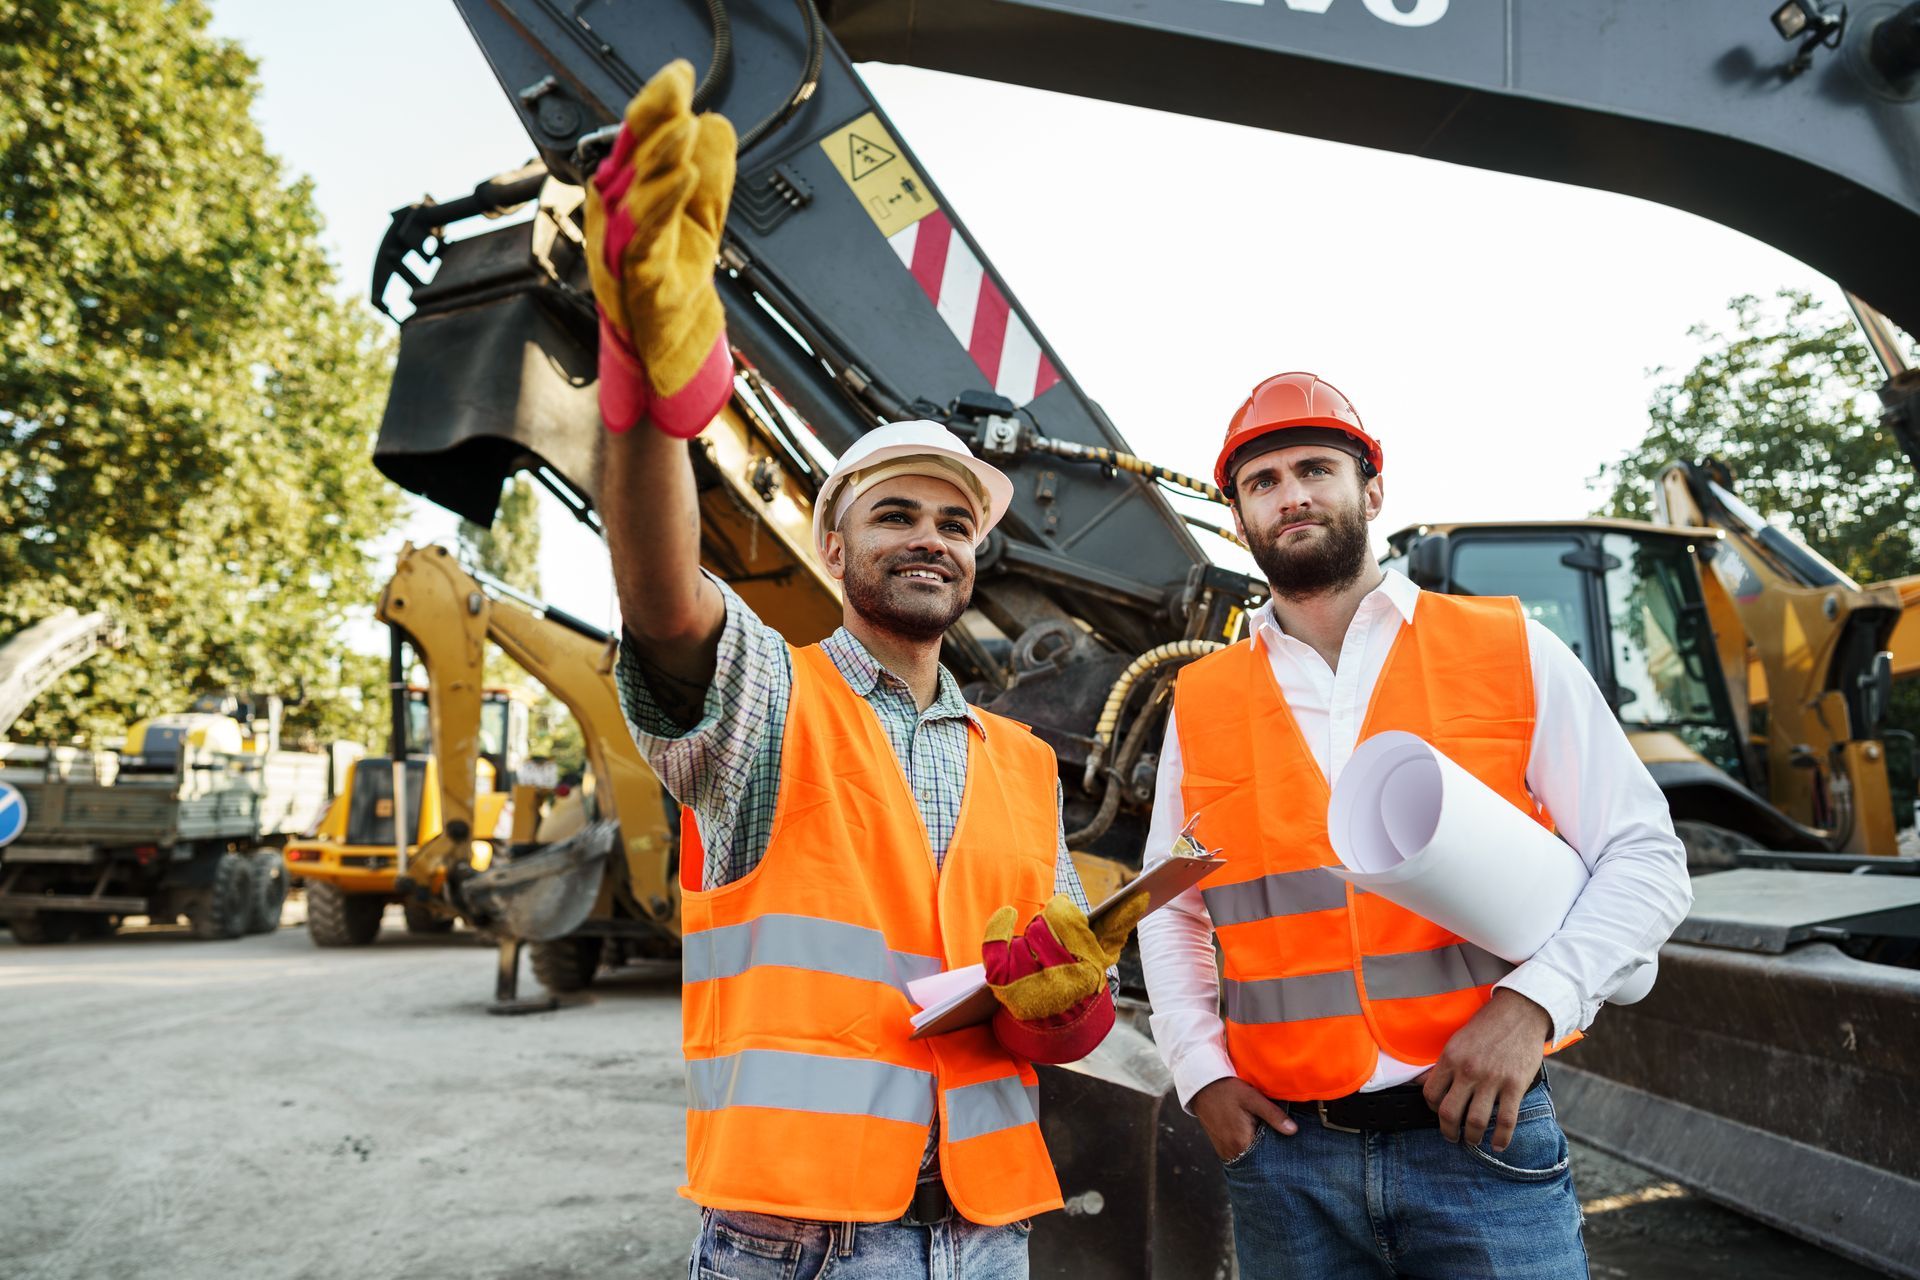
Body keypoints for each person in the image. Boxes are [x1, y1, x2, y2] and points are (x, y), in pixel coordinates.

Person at [587, 61, 1131, 1280]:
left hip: (987, 1230)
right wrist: (646, 398)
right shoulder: (773, 702)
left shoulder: (1023, 763)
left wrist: (1070, 1003)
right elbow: (663, 604)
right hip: (803, 1239)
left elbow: (1041, 986)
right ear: (834, 547)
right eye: (896, 515)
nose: (930, 538)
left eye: (954, 523)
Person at [1137, 372, 1694, 1277]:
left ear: (1373, 490)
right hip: (1286, 1162)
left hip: (1479, 1140)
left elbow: (1647, 858)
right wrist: (1198, 1070)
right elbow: (1170, 908)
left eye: (1315, 468)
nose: (1292, 496)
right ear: (1238, 517)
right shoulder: (1200, 700)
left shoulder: (1508, 646)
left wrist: (1530, 1006)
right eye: (1262, 482)